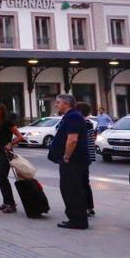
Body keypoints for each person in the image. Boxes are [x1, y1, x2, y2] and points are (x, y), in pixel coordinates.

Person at [49, 94, 90, 230]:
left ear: (66, 104)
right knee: (71, 189)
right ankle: (77, 218)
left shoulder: (73, 117)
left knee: (72, 189)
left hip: (73, 161)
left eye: (58, 102)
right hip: (75, 160)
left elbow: (72, 139)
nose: (56, 105)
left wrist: (66, 157)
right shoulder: (72, 116)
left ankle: (77, 220)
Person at [0, 103, 23, 213]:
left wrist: (10, 144)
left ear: (0, 111)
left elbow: (20, 136)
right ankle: (6, 201)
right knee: (0, 177)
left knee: (3, 177)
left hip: (4, 152)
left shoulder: (7, 121)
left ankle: (11, 204)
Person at [76, 102, 98, 217]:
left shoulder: (83, 123)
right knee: (85, 182)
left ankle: (85, 206)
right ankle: (89, 207)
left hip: (83, 157)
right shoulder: (89, 123)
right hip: (87, 156)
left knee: (80, 183)